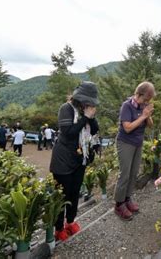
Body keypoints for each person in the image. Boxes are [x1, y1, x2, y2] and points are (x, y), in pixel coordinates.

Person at [49, 81, 100, 242]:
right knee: (62, 196)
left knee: (74, 192)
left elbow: (95, 130)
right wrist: (85, 117)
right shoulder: (66, 108)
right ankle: (58, 228)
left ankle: (70, 222)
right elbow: (68, 132)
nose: (89, 103)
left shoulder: (85, 110)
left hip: (80, 158)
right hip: (63, 159)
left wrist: (90, 118)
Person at [114, 81, 155, 221]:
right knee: (124, 174)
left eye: (148, 100)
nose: (146, 102)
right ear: (138, 94)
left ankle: (127, 198)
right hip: (125, 142)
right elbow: (127, 128)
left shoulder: (144, 106)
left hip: (138, 143)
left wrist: (148, 115)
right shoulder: (127, 106)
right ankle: (119, 204)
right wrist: (143, 116)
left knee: (133, 173)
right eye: (145, 99)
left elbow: (150, 125)